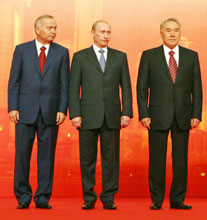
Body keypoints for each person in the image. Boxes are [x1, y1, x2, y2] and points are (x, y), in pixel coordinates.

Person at [137, 18, 202, 210]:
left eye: (176, 30)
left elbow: (197, 88)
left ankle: (178, 199)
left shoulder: (191, 56)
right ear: (161, 33)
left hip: (183, 115)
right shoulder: (149, 56)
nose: (172, 34)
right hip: (156, 115)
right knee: (157, 160)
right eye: (168, 30)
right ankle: (157, 199)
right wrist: (144, 113)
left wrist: (196, 113)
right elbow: (142, 88)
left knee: (181, 161)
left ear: (180, 33)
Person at [69, 20, 133, 210]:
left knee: (110, 159)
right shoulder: (80, 57)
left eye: (108, 32)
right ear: (93, 33)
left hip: (112, 115)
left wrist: (127, 112)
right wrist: (75, 113)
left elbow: (126, 88)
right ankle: (89, 197)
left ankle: (108, 197)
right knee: (87, 159)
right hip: (87, 115)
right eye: (102, 32)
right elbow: (73, 89)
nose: (106, 35)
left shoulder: (120, 57)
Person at [8, 14, 69, 209]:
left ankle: (43, 197)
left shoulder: (62, 52)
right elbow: (14, 81)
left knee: (46, 157)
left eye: (55, 27)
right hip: (25, 111)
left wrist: (62, 109)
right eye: (50, 27)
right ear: (37, 29)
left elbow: (64, 85)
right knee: (22, 156)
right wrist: (13, 107)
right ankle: (23, 195)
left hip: (51, 111)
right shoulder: (21, 50)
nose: (53, 31)